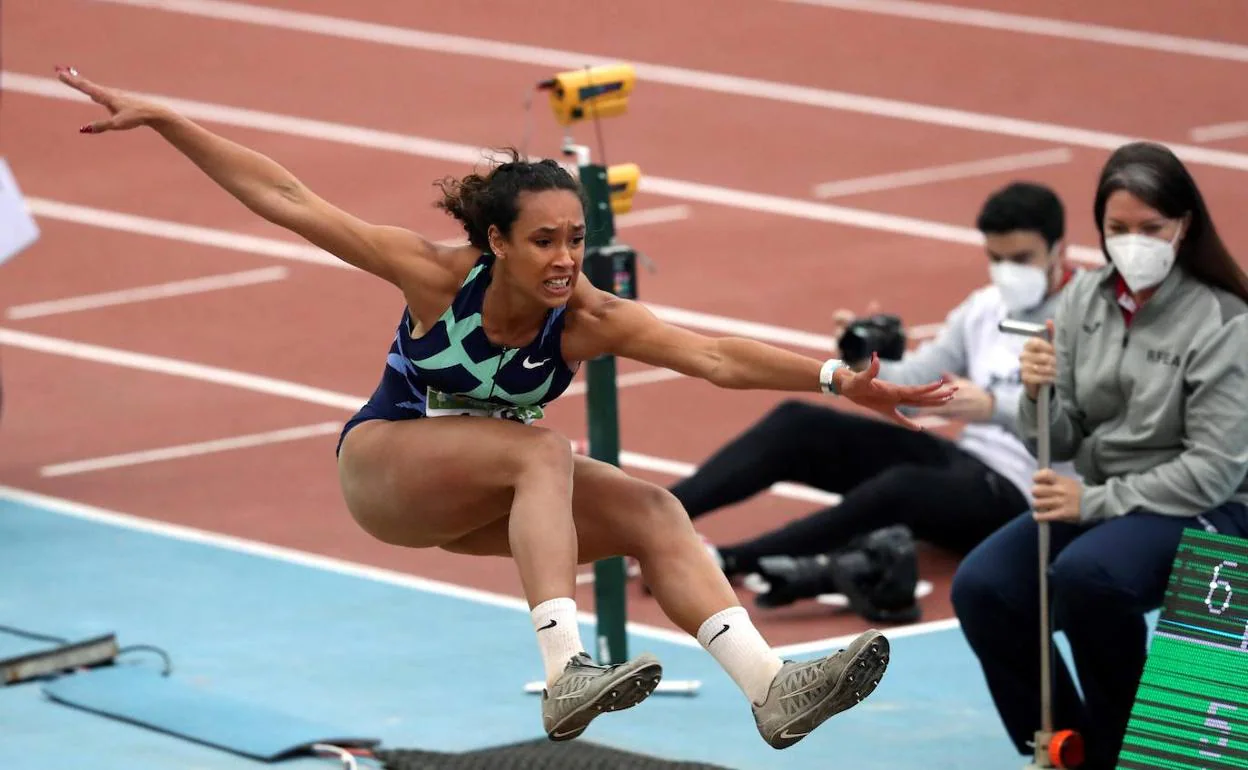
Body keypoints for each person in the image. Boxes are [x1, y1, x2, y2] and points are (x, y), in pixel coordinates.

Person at [57, 66, 960, 748]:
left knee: (655, 510)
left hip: (477, 497)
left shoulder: (587, 318)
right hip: (383, 469)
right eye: (544, 240)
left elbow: (715, 355)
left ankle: (769, 688)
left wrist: (837, 379)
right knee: (543, 452)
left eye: (576, 237)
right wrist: (171, 119)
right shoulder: (433, 277)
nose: (566, 257)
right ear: (496, 242)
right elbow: (287, 199)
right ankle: (565, 671)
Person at [951, 142, 1248, 769]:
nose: (1133, 243)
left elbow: (1214, 468)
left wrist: (1095, 500)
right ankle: (1072, 750)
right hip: (1114, 501)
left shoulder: (1224, 319)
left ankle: (1129, 750)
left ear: (1184, 226)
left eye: (1151, 229)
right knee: (985, 587)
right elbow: (1059, 440)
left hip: (1214, 506)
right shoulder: (1085, 300)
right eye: (1117, 230)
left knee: (1091, 577)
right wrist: (1037, 395)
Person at [665, 182, 1077, 620]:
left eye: (1020, 260)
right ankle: (654, 516)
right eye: (995, 259)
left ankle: (728, 561)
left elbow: (1094, 425)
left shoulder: (1091, 316)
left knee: (904, 486)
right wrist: (862, 360)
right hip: (969, 462)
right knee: (800, 424)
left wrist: (996, 409)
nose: (1006, 272)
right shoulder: (985, 307)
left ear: (1058, 248)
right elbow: (914, 388)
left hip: (1029, 491)